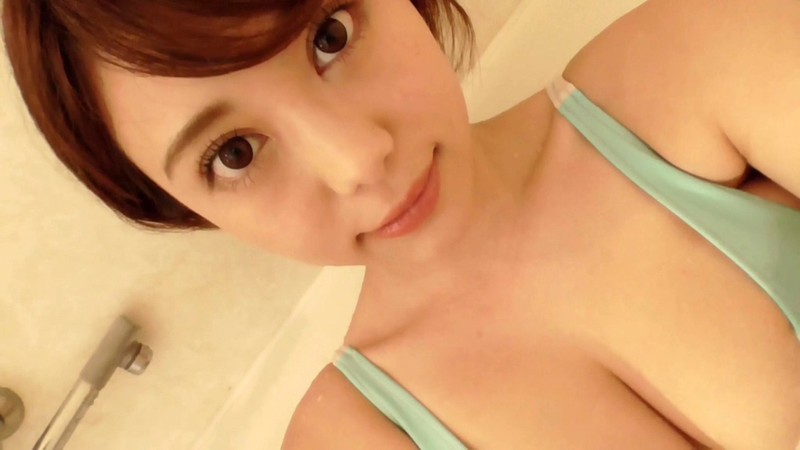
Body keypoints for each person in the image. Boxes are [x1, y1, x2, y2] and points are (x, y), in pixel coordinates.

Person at [3, 0, 799, 448]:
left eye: (331, 36)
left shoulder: (696, 61)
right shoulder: (351, 437)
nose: (358, 160)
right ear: (185, 208)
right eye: (235, 153)